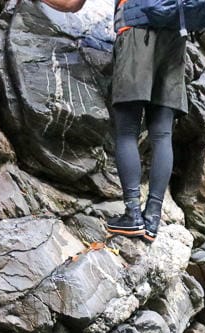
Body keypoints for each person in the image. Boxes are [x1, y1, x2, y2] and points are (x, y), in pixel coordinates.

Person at [34, 0, 186, 242]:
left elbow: (71, 4)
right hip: (176, 38)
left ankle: (133, 215)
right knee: (163, 134)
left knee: (127, 131)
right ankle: (152, 220)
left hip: (137, 33)